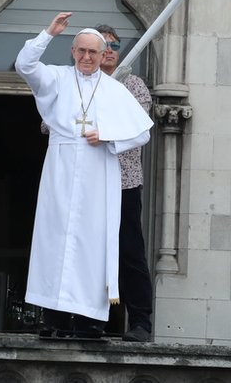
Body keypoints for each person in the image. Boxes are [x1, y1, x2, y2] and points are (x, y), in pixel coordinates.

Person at [15, 11, 153, 338]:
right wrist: (49, 32)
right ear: (73, 52)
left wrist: (108, 135)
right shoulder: (57, 77)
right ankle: (55, 318)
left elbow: (142, 132)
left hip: (99, 171)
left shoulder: (117, 88)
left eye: (94, 51)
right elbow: (24, 65)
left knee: (93, 243)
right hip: (60, 169)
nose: (87, 57)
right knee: (55, 240)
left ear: (104, 54)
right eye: (81, 50)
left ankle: (91, 320)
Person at [96, 24, 155, 343]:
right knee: (86, 251)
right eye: (102, 44)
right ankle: (86, 321)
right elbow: (52, 127)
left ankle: (140, 322)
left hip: (124, 183)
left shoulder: (134, 85)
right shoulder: (78, 84)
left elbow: (135, 128)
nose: (109, 49)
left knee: (130, 252)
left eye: (114, 44)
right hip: (87, 183)